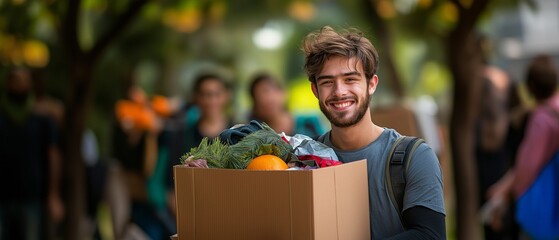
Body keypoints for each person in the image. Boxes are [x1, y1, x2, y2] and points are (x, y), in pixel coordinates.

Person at [301, 26, 446, 239]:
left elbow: (430, 235)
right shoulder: (305, 162)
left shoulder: (414, 156)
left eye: (350, 79)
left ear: (371, 84)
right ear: (315, 90)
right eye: (327, 82)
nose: (339, 91)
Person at [486, 54, 559, 236]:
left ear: (530, 87)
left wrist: (510, 193)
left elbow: (528, 166)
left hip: (544, 206)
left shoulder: (542, 118)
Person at [0, 67, 64, 240]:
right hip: (4, 195)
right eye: (15, 81)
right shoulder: (3, 116)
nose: (19, 86)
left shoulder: (42, 116)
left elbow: (53, 155)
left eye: (23, 82)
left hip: (32, 197)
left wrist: (53, 194)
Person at [162, 73, 232, 216]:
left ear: (226, 96)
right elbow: (171, 187)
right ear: (196, 98)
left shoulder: (238, 133)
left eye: (216, 94)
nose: (211, 100)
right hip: (193, 211)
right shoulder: (182, 136)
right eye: (206, 95)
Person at [249, 73, 325, 138]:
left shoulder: (310, 123)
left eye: (268, 91)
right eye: (258, 96)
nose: (265, 99)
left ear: (283, 93)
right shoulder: (255, 135)